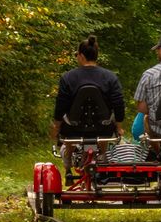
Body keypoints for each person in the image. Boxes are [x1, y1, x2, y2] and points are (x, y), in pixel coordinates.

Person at [51, 36, 125, 176]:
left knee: (68, 128)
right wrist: (119, 127)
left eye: (77, 55)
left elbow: (61, 105)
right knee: (107, 123)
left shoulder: (68, 77)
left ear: (81, 55)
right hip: (103, 128)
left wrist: (57, 126)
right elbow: (118, 103)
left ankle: (68, 158)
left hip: (74, 128)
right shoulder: (110, 77)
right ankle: (102, 155)